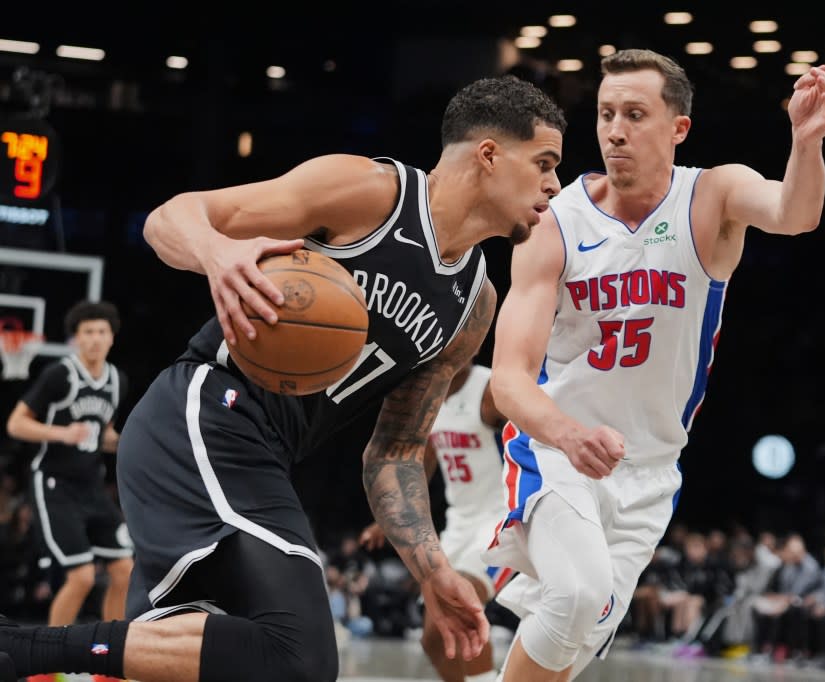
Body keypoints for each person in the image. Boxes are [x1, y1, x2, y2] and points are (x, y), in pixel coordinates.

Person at [0, 74, 565, 682]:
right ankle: (24, 649)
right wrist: (217, 255)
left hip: (266, 452)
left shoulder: (473, 305)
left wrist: (432, 573)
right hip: (206, 413)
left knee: (242, 660)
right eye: (544, 163)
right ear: (488, 154)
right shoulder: (369, 193)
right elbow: (171, 218)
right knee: (304, 654)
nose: (554, 186)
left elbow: (395, 454)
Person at [484, 48, 825, 681]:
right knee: (573, 596)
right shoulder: (555, 223)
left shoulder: (713, 194)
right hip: (557, 451)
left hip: (649, 471)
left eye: (634, 114)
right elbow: (510, 378)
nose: (615, 130)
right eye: (605, 114)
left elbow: (795, 213)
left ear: (678, 128)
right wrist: (568, 433)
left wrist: (806, 142)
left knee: (571, 644)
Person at [5, 300, 133, 682]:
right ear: (76, 338)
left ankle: (109, 664)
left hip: (91, 485)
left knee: (125, 570)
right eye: (87, 332)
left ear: (112, 337)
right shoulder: (60, 376)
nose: (95, 339)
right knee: (81, 577)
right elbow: (16, 424)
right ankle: (44, 667)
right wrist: (61, 432)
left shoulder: (116, 380)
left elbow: (102, 432)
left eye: (101, 332)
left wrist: (129, 443)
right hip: (53, 484)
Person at [361, 360, 510, 682]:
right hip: (459, 524)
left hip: (499, 520)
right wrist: (388, 520)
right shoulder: (430, 397)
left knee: (462, 613)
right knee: (432, 638)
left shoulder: (490, 390)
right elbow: (420, 461)